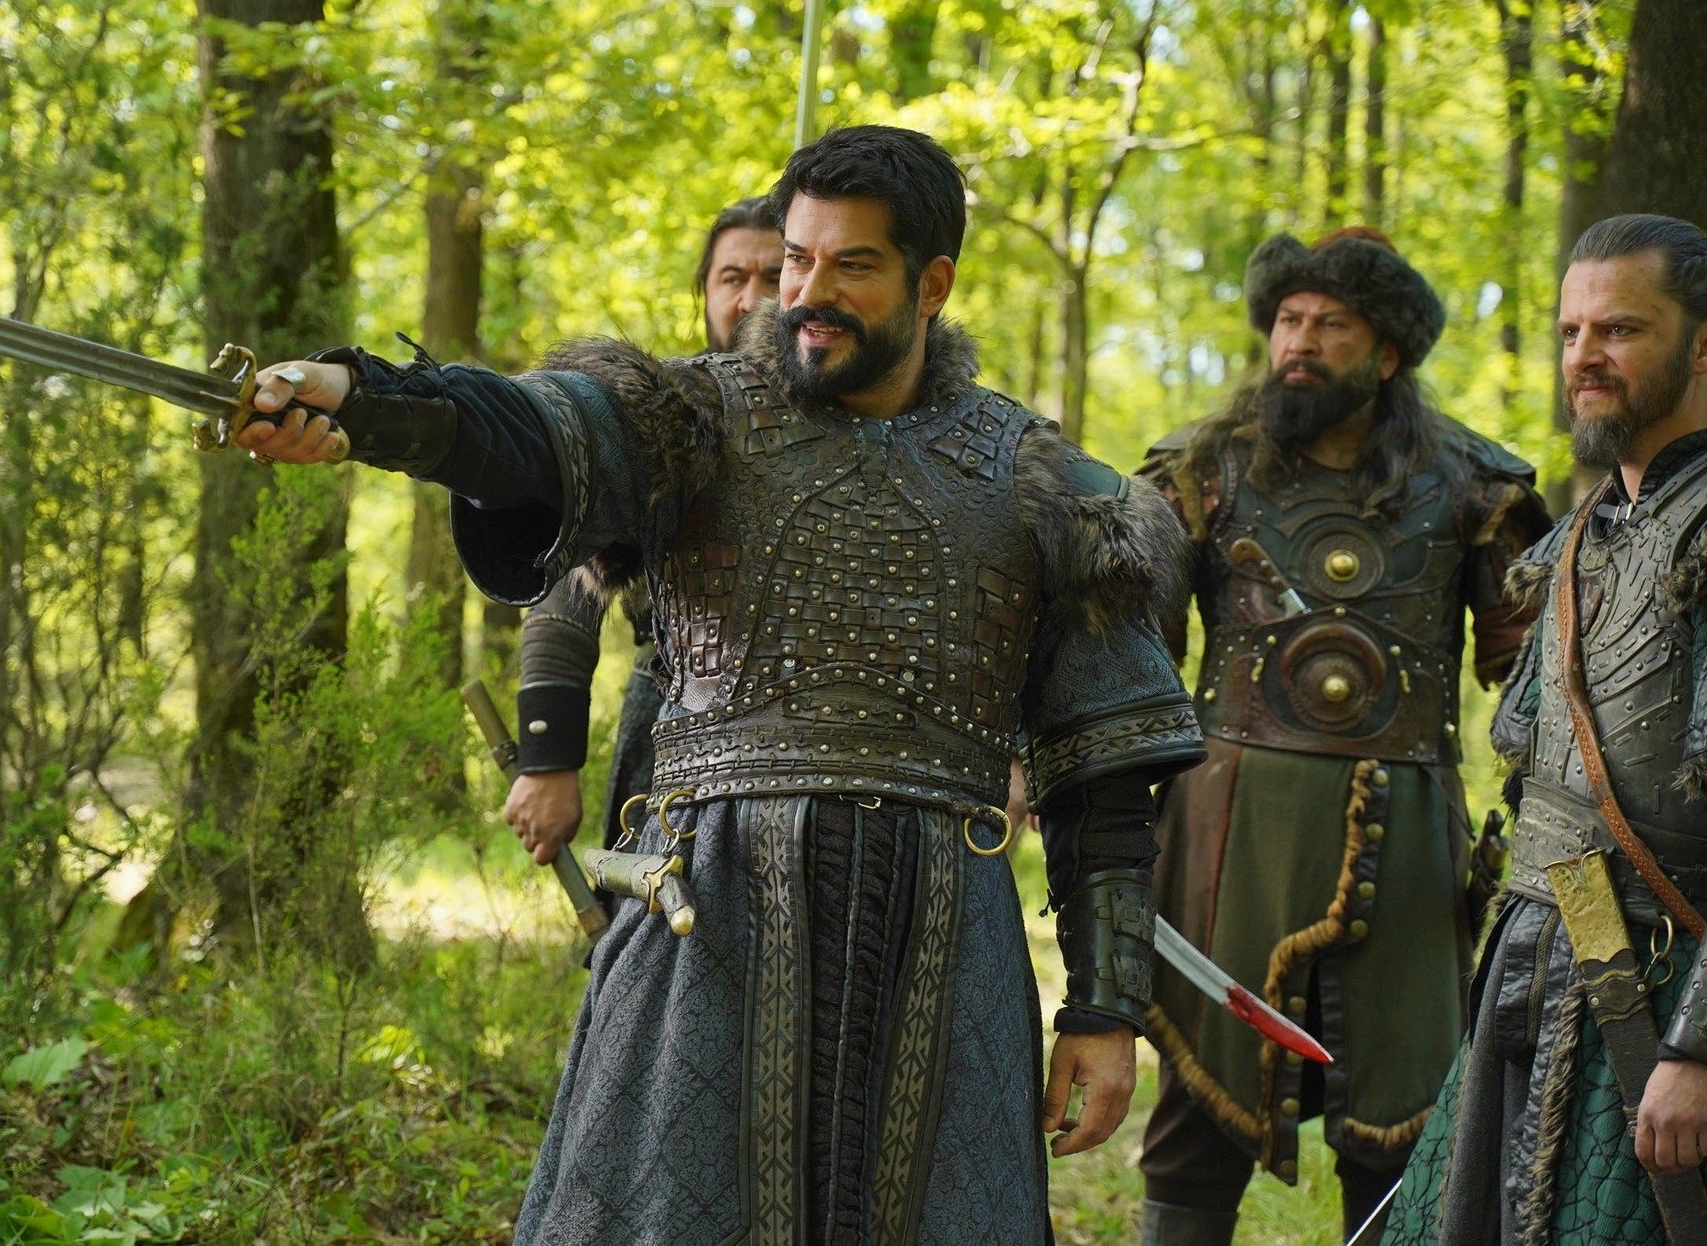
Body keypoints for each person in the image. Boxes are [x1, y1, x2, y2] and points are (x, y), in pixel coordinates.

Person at [236, 125, 1206, 1243]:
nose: (808, 294)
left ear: (932, 284)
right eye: (795, 258)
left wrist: (1104, 1009)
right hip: (708, 916)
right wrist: (357, 396)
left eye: (852, 265)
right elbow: (525, 428)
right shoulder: (686, 417)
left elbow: (1101, 784)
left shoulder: (1044, 483)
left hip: (946, 948)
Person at [1134, 227, 1550, 1244]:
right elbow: (1125, 657)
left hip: (1406, 849)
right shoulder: (1199, 471)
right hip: (1227, 844)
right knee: (1195, 1121)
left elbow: (1537, 683)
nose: (1300, 342)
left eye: (1332, 325)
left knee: (1402, 1127)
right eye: (1287, 319)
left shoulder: (1476, 487)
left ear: (1388, 353)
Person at [1386, 214, 1707, 1245]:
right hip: (1532, 967)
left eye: (1620, 329)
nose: (1584, 356)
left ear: (1703, 344)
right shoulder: (1573, 540)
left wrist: (1695, 1048)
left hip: (1661, 995)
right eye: (1571, 332)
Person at [506, 197, 781, 879]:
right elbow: (569, 581)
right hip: (671, 725)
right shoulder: (657, 420)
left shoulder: (870, 422)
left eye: (775, 277)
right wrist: (549, 756)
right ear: (704, 291)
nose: (752, 299)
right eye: (732, 277)